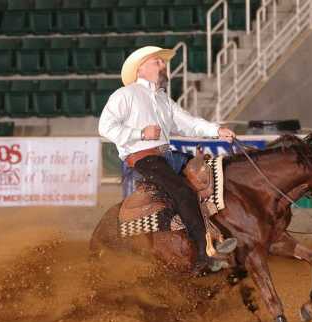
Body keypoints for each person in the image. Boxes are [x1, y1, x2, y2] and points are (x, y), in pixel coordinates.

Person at [98, 46, 236, 274]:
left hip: (166, 157)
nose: (163, 65)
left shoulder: (162, 99)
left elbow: (189, 123)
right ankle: (205, 254)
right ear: (140, 69)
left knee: (211, 174)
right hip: (142, 159)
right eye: (157, 62)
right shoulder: (125, 95)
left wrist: (217, 130)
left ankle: (219, 234)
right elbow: (105, 126)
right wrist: (140, 134)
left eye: (162, 62)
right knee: (183, 192)